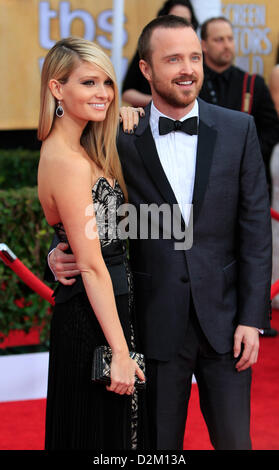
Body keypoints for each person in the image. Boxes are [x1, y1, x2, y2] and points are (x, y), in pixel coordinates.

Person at [46, 16, 272, 450]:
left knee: (235, 442)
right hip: (152, 325)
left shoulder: (238, 129)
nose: (187, 68)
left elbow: (256, 231)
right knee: (157, 449)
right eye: (173, 59)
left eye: (194, 57)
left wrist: (251, 318)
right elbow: (87, 211)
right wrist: (59, 252)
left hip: (227, 324)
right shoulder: (117, 136)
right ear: (147, 70)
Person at [37, 36, 146, 450]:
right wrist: (120, 351)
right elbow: (91, 263)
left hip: (112, 307)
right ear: (56, 88)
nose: (102, 93)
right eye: (88, 83)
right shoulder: (65, 160)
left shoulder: (80, 146)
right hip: (92, 317)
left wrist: (118, 112)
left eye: (107, 82)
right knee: (99, 437)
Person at [199, 16, 279, 197]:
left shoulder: (252, 84)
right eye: (219, 39)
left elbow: (272, 129)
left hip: (245, 183)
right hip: (200, 181)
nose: (226, 45)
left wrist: (247, 152)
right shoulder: (192, 85)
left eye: (230, 38)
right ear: (204, 45)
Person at [122, 0, 199, 107]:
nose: (187, 71)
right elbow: (127, 93)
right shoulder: (149, 50)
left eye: (195, 58)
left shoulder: (201, 55)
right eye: (174, 20)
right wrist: (158, 102)